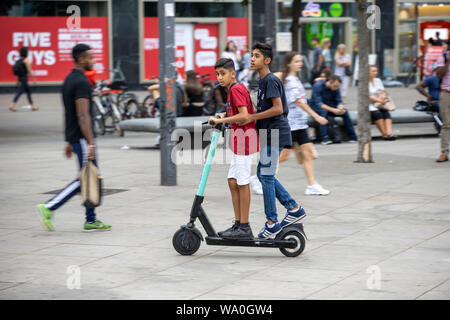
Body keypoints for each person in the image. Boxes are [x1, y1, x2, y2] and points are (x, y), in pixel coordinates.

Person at [36, 44, 111, 232]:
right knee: (86, 178)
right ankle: (49, 206)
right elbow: (82, 115)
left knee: (89, 177)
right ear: (80, 59)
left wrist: (70, 141)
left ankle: (91, 220)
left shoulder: (69, 79)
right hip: (83, 138)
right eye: (90, 57)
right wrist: (91, 143)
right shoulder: (82, 82)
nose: (92, 60)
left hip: (76, 137)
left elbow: (69, 113)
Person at [238, 42, 306, 239]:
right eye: (252, 55)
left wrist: (252, 117)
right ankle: (293, 208)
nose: (252, 58)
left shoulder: (270, 80)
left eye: (257, 56)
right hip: (269, 132)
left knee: (266, 176)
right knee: (263, 174)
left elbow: (277, 109)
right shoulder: (263, 81)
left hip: (275, 132)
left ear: (266, 60)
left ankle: (272, 222)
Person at [208, 58, 259, 239]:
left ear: (232, 73)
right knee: (232, 181)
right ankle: (238, 224)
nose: (220, 78)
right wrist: (224, 114)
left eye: (223, 73)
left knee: (242, 182)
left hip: (245, 140)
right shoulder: (233, 90)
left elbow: (244, 115)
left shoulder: (236, 89)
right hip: (240, 141)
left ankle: (244, 227)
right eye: (217, 74)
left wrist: (220, 121)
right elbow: (236, 112)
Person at [277, 52, 330, 196]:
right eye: (296, 61)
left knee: (307, 154)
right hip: (290, 125)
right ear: (289, 63)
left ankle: (311, 185)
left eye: (300, 61)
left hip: (300, 124)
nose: (299, 63)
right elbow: (299, 102)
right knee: (283, 156)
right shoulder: (289, 80)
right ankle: (259, 176)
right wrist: (317, 116)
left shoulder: (295, 79)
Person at [310, 75, 358, 144]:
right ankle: (324, 138)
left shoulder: (336, 87)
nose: (336, 88)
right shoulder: (317, 86)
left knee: (345, 112)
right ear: (329, 82)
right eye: (335, 86)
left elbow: (338, 100)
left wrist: (340, 107)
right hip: (316, 107)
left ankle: (353, 137)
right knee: (323, 112)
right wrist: (333, 110)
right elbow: (319, 103)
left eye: (338, 86)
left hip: (329, 106)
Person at [368, 65, 396, 140]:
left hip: (380, 103)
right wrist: (379, 100)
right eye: (373, 71)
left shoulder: (378, 80)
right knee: (377, 113)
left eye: (376, 71)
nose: (375, 73)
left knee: (386, 113)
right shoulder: (364, 82)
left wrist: (383, 97)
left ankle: (389, 133)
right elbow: (367, 96)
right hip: (370, 105)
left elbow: (383, 91)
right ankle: (384, 134)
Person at [8, 46, 38, 112]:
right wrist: (34, 79)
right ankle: (12, 105)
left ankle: (33, 106)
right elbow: (29, 70)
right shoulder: (26, 60)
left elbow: (19, 73)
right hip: (24, 78)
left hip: (21, 78)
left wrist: (17, 81)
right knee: (20, 91)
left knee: (28, 91)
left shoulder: (19, 60)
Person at [435, 41, 450, 162]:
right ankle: (444, 152)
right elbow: (438, 74)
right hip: (446, 94)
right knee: (447, 125)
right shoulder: (444, 57)